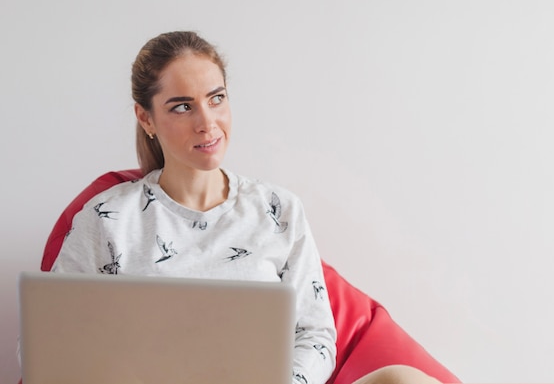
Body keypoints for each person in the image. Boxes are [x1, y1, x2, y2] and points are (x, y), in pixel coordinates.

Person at [51, 31, 441, 384]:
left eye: (216, 98)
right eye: (182, 107)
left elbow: (316, 334)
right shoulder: (108, 219)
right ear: (145, 117)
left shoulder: (278, 209)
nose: (208, 123)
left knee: (402, 378)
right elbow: (51, 347)